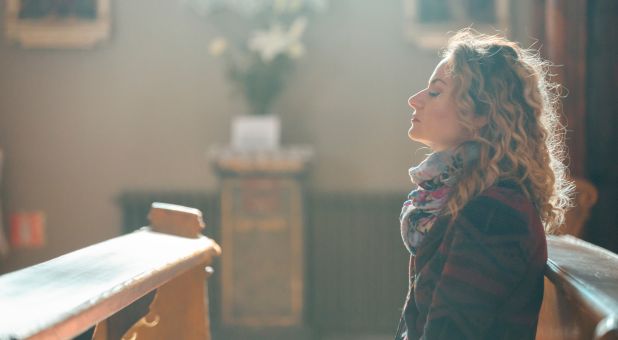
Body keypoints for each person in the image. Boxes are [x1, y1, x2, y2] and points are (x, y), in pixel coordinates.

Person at [395, 29, 573, 340]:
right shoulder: (464, 197)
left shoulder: (495, 213)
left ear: (480, 114)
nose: (414, 100)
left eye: (435, 92)